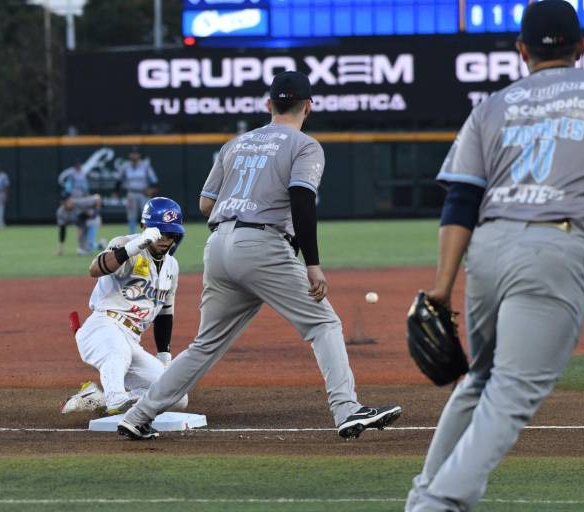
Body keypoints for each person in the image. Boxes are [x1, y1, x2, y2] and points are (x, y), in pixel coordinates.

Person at [405, 2, 584, 510]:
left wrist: (441, 287)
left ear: (522, 51)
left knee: (481, 378)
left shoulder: (493, 105)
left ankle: (422, 497)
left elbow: (461, 199)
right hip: (553, 247)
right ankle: (439, 505)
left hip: (488, 249)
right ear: (582, 48)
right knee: (512, 392)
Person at [117, 71, 402, 441]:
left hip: (218, 246)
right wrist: (312, 263)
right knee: (323, 324)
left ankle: (138, 415)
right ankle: (346, 409)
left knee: (205, 345)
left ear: (269, 105)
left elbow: (205, 204)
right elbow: (302, 199)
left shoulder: (235, 145)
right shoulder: (304, 145)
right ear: (308, 107)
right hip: (262, 245)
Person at [61, 197, 188, 415]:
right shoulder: (124, 244)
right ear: (145, 227)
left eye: (171, 234)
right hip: (103, 327)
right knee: (117, 351)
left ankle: (98, 397)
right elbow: (95, 269)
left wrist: (164, 355)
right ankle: (116, 400)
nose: (165, 239)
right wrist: (134, 247)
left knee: (177, 396)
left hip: (132, 340)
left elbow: (165, 312)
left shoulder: (171, 266)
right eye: (160, 232)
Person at [116, 146, 158, 234]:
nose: (134, 155)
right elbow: (119, 180)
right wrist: (116, 191)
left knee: (147, 214)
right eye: (132, 154)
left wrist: (153, 189)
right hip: (131, 193)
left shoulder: (145, 165)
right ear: (129, 155)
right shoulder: (125, 166)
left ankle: (148, 234)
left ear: (139, 155)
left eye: (136, 154)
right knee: (131, 216)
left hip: (143, 193)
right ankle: (133, 234)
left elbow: (154, 180)